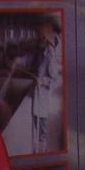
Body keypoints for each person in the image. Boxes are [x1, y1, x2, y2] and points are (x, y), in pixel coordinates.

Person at [29, 18, 63, 154]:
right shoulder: (41, 51)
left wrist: (43, 81)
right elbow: (32, 62)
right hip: (38, 94)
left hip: (45, 96)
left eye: (41, 36)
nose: (39, 39)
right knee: (36, 121)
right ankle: (38, 147)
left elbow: (56, 80)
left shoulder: (51, 54)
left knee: (43, 124)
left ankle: (43, 150)